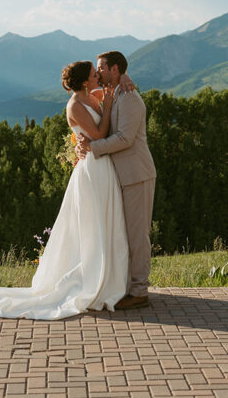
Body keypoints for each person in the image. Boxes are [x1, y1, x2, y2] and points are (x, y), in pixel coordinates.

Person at [0, 60, 129, 319]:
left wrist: (125, 77)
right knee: (92, 225)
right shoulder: (75, 105)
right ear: (85, 81)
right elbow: (99, 135)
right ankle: (94, 280)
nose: (98, 76)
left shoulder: (92, 96)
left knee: (107, 223)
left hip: (103, 167)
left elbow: (116, 85)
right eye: (94, 74)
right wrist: (107, 109)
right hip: (92, 169)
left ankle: (112, 278)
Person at [76, 51, 156, 310]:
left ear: (114, 70)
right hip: (118, 176)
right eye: (96, 70)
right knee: (123, 234)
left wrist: (93, 147)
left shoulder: (130, 98)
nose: (97, 73)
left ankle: (139, 291)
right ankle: (125, 286)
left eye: (101, 68)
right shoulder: (113, 93)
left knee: (137, 235)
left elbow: (124, 139)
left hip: (136, 175)